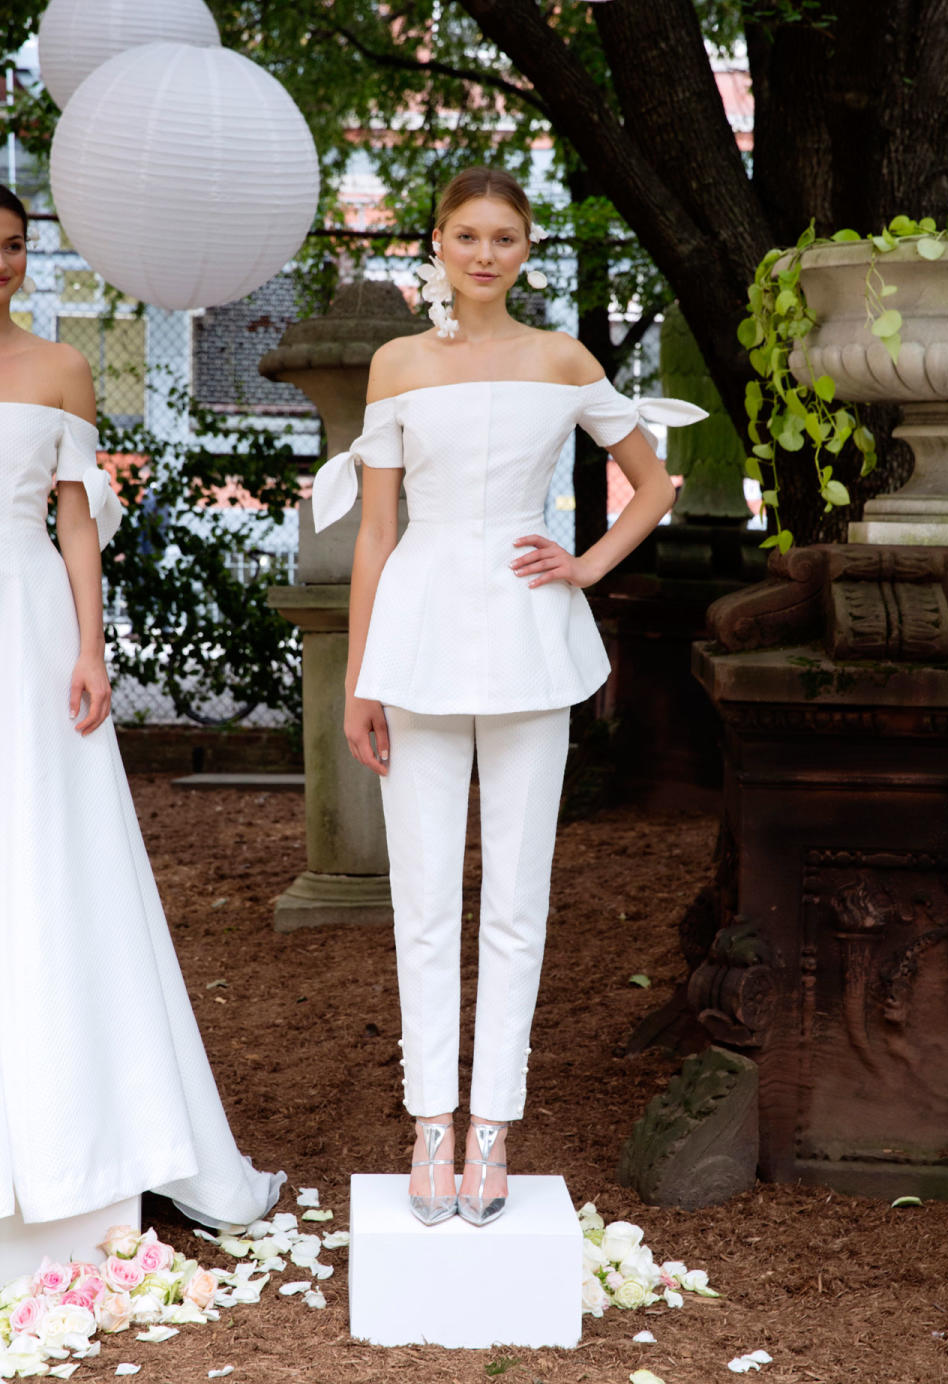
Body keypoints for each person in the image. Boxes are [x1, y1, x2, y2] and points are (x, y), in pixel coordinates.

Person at [311, 166, 706, 1226]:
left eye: (505, 238)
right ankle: (428, 1122)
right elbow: (378, 533)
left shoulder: (562, 357)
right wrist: (361, 680)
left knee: (519, 902)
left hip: (531, 639)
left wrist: (588, 564)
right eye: (467, 234)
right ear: (436, 244)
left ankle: (494, 1131)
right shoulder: (395, 364)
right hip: (422, 634)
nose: (485, 253)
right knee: (425, 901)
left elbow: (654, 480)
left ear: (524, 251)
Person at [0, 185, 283, 1231]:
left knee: (51, 850)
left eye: (15, 246)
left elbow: (78, 522)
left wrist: (88, 646)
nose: (2, 261)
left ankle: (86, 1139)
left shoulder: (61, 368)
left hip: (26, 625)